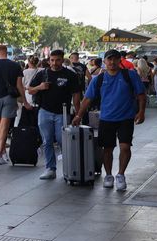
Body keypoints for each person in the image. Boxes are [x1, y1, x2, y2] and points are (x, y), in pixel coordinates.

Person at [73, 50, 147, 191]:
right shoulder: (98, 79)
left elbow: (141, 94)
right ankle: (108, 175)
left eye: (115, 59)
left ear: (120, 60)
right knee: (107, 149)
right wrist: (78, 115)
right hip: (106, 118)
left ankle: (120, 174)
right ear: (104, 61)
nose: (112, 62)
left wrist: (141, 111)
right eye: (109, 59)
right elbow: (87, 99)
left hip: (126, 117)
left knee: (125, 147)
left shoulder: (130, 75)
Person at [28, 50, 82, 180]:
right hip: (44, 111)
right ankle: (50, 168)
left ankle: (69, 167)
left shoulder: (70, 75)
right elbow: (30, 90)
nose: (54, 63)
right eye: (52, 60)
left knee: (62, 140)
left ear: (62, 60)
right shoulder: (42, 74)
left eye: (57, 60)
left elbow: (76, 95)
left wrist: (78, 114)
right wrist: (40, 87)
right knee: (46, 141)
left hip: (62, 112)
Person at [0, 44, 28, 165]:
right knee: (4, 126)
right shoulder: (15, 66)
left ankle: (2, 152)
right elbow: (20, 86)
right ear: (6, 53)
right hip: (9, 98)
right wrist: (25, 101)